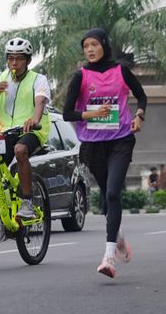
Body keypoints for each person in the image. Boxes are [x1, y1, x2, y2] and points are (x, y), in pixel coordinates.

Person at [63, 28, 147, 279]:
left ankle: (108, 257)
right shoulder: (81, 76)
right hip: (93, 145)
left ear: (104, 45)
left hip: (120, 140)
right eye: (85, 46)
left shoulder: (121, 71)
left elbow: (141, 96)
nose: (89, 49)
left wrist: (139, 116)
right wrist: (92, 114)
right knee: (107, 199)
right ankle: (118, 237)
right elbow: (67, 113)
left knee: (112, 193)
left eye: (94, 44)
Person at [0, 37, 51, 220]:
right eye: (11, 58)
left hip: (33, 130)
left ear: (28, 60)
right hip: (6, 132)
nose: (14, 63)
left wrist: (34, 120)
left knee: (20, 150)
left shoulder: (38, 79)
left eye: (20, 58)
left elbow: (40, 102)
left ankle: (27, 202)